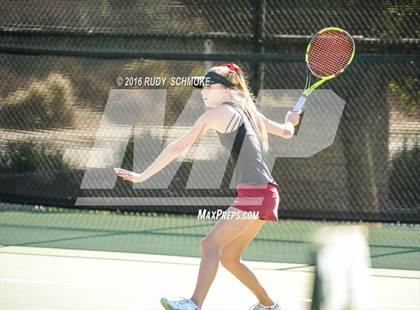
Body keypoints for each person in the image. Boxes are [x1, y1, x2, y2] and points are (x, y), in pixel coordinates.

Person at [115, 63, 301, 310]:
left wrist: (142, 175)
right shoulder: (249, 112)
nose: (203, 91)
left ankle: (194, 304)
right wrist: (291, 120)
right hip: (267, 193)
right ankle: (269, 305)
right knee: (229, 257)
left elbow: (177, 147)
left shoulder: (219, 114)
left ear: (226, 89)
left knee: (209, 244)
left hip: (256, 192)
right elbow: (287, 132)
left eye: (209, 86)